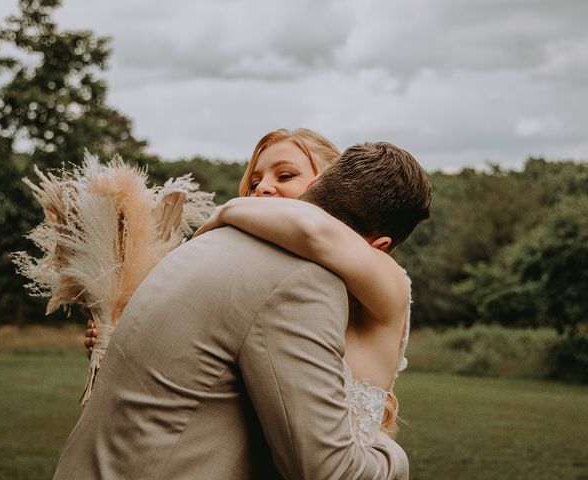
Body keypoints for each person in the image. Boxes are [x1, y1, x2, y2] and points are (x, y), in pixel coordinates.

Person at [56, 140, 430, 479]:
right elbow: (324, 469)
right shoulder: (302, 281)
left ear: (316, 185)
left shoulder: (211, 244)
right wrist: (391, 452)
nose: (265, 189)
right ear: (379, 246)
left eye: (286, 175)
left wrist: (228, 210)